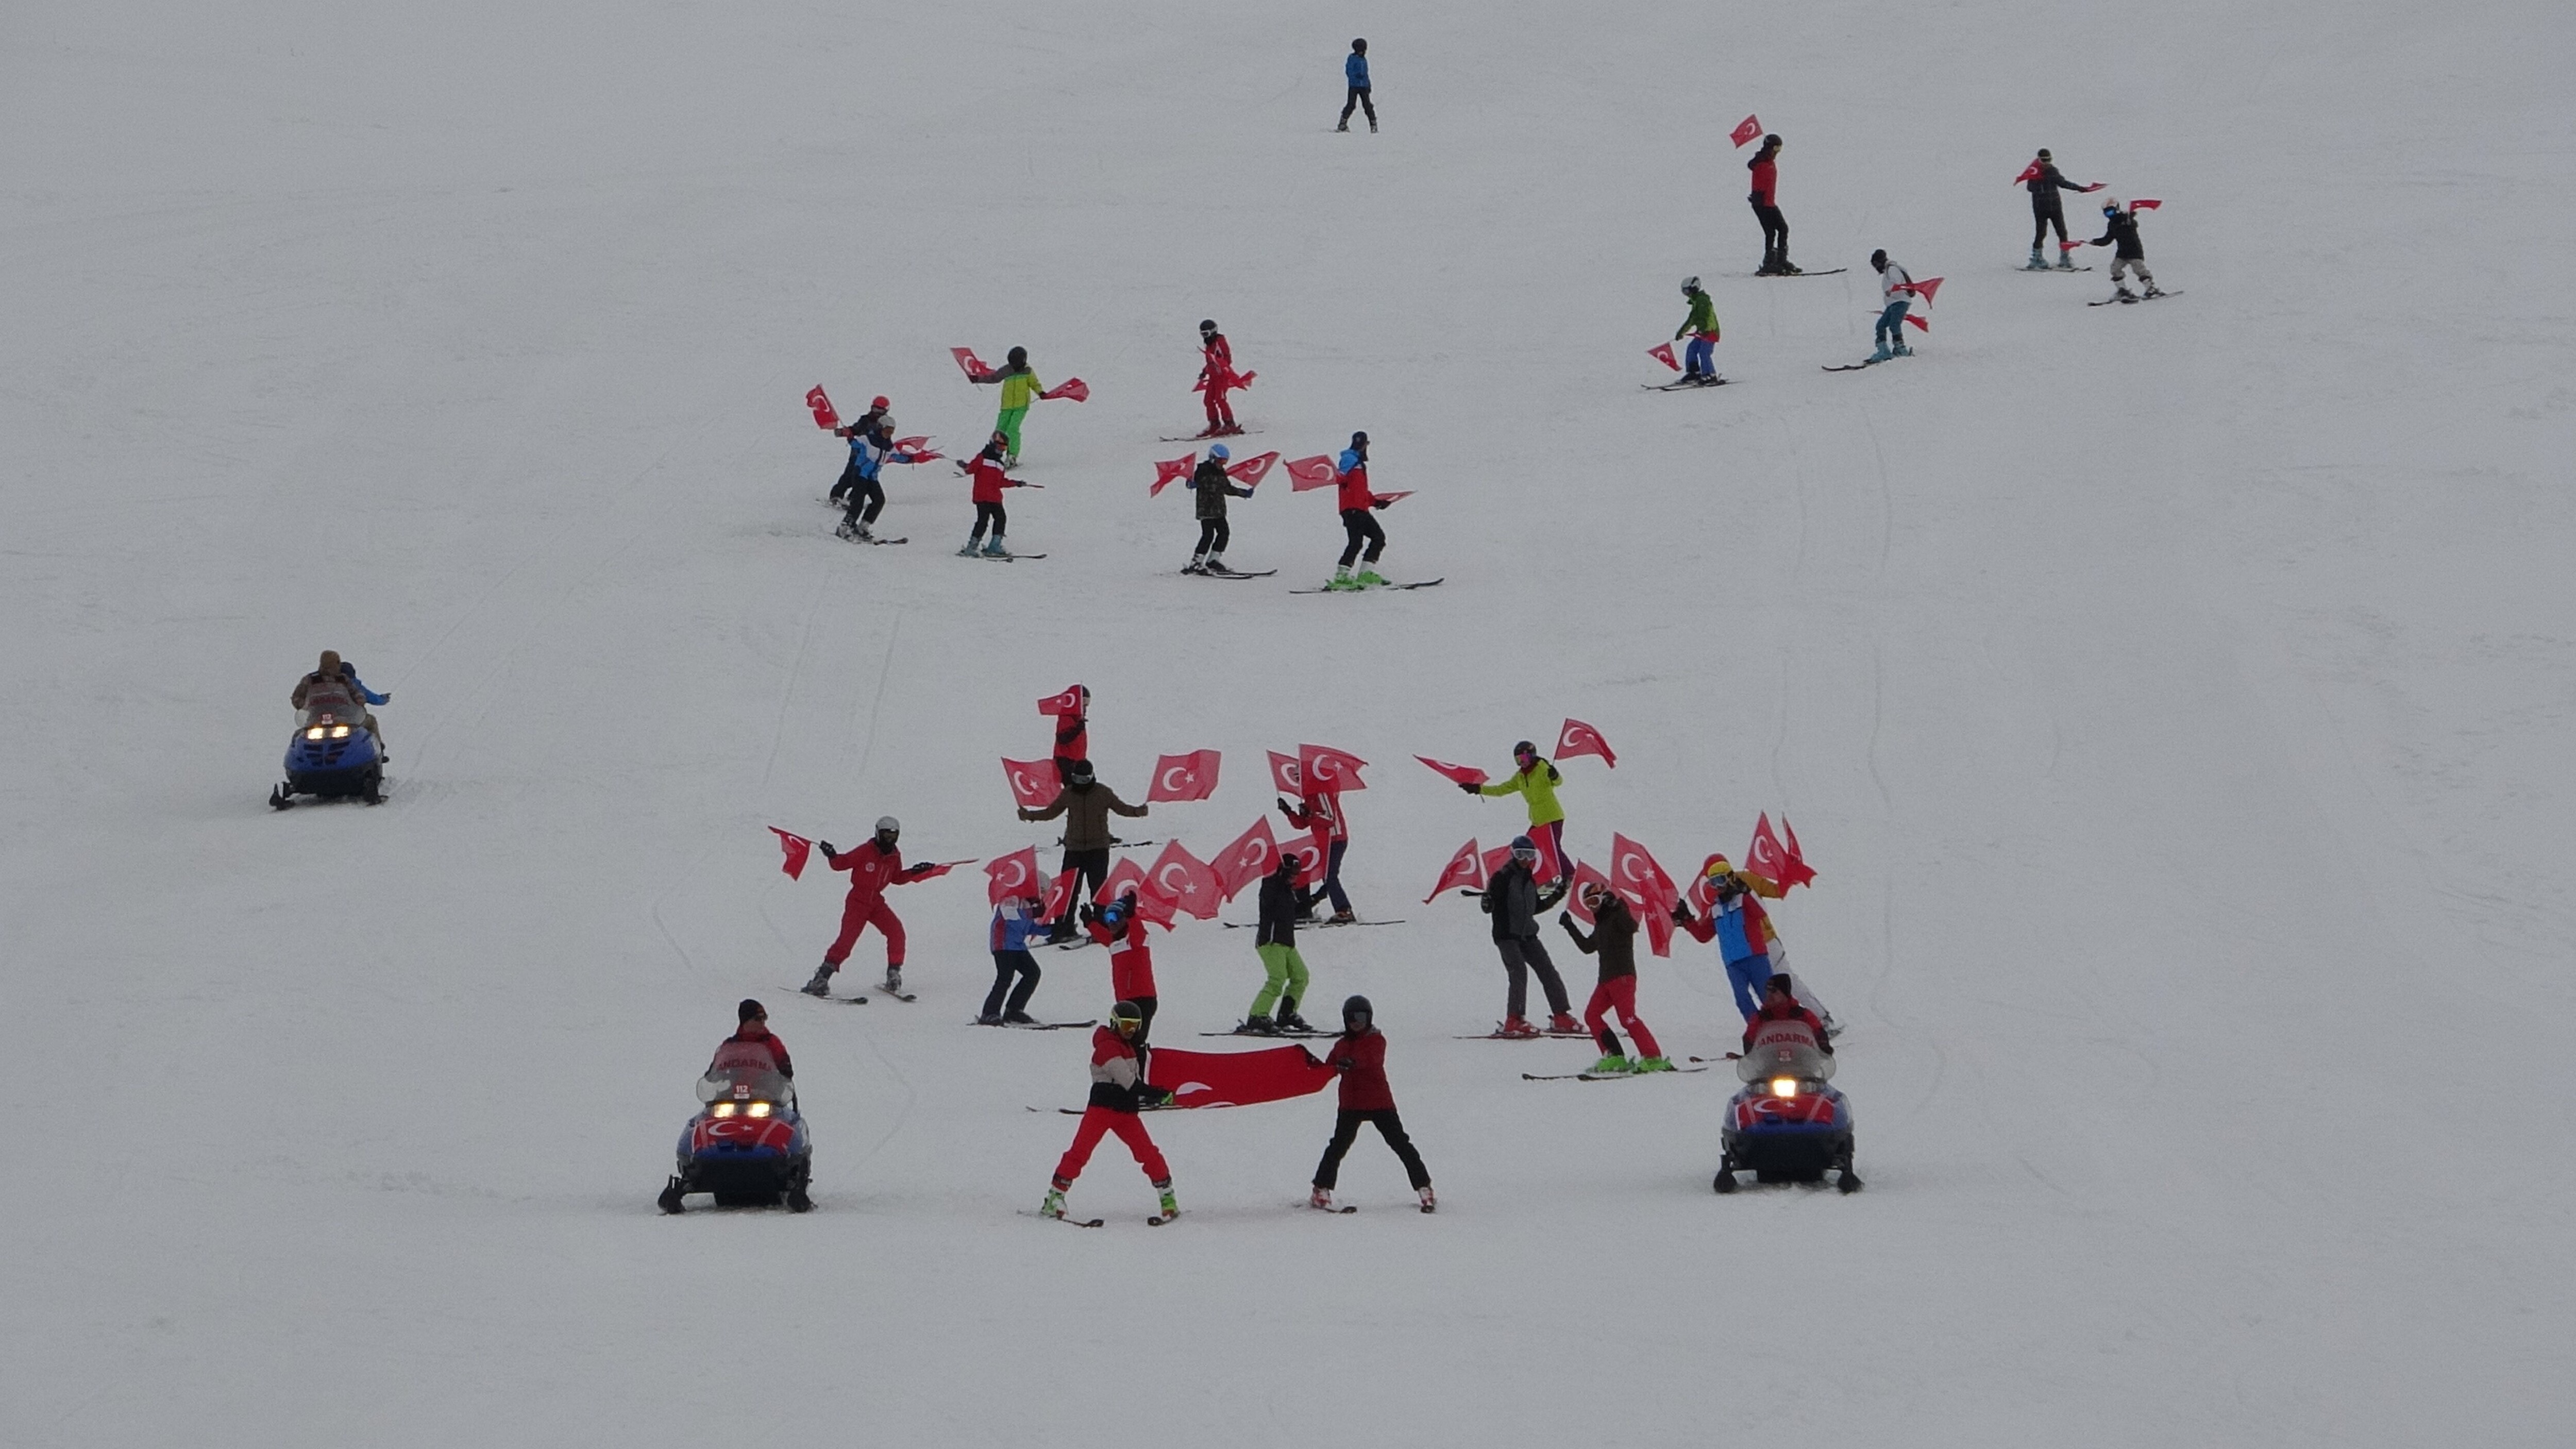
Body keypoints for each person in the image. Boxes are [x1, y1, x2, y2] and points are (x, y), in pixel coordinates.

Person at [1042, 1001, 1180, 1223]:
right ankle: (1055, 1197)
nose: (1132, 1031)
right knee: (1080, 1152)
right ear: (1114, 1023)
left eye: (1136, 1026)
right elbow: (1129, 1082)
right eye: (1126, 1026)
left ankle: (1168, 1198)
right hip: (1102, 1110)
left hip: (1126, 1112)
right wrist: (1158, 1094)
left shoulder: (1129, 1046)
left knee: (1147, 1153)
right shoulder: (1107, 1046)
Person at [1309, 996, 1435, 1211]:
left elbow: (1371, 1058)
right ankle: (1321, 1189)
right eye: (1351, 1017)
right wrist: (1312, 1066)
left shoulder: (1377, 1040)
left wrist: (1352, 1062)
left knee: (1401, 1144)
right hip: (1351, 1104)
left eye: (1360, 1016)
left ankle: (1424, 1187)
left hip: (1379, 1103)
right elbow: (1329, 1067)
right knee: (1338, 1147)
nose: (1356, 1021)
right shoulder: (1341, 1045)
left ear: (1369, 1018)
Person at [800, 817, 943, 997]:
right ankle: (821, 979)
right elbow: (841, 864)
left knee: (896, 932)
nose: (889, 840)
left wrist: (915, 871)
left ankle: (894, 974)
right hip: (858, 901)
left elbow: (897, 878)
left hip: (876, 902)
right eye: (886, 835)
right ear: (877, 833)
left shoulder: (895, 856)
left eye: (893, 836)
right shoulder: (866, 851)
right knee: (847, 941)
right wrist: (831, 855)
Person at [1018, 759, 1149, 942]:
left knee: (1099, 891)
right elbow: (1051, 812)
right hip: (1074, 850)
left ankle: (1102, 927)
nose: (1079, 784)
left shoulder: (1103, 793)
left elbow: (1122, 808)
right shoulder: (1069, 793)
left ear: (1092, 777)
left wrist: (1138, 812)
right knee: (1068, 891)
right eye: (1076, 779)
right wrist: (1029, 815)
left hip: (1098, 850)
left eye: (1083, 780)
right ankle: (1064, 928)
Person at [1559, 884, 1672, 1073]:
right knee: (1592, 1015)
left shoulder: (1617, 914)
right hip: (1606, 979)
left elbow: (1631, 927)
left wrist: (1618, 905)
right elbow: (1588, 947)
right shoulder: (1602, 923)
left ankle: (1653, 1056)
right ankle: (1614, 1056)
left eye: (1595, 902)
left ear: (1604, 898)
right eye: (1588, 904)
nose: (1592, 908)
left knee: (1627, 1018)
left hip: (1622, 976)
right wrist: (1570, 926)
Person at [1472, 835, 1575, 1037]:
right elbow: (1491, 905)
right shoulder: (1502, 877)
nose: (1525, 859)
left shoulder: (1529, 879)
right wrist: (1488, 901)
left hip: (1528, 935)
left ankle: (1561, 1016)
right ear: (1513, 854)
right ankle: (1514, 1019)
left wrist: (1558, 893)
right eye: (1521, 854)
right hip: (1507, 935)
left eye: (1530, 855)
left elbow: (1535, 908)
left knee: (1548, 971)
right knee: (1519, 971)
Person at [1672, 854, 1778, 1019]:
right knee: (1742, 1000)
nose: (1717, 887)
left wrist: (1747, 891)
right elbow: (1703, 935)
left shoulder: (1744, 899)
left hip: (1755, 957)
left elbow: (1760, 912)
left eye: (1720, 880)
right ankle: (1757, 1030)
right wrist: (1687, 920)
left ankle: (1781, 1027)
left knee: (1769, 998)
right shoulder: (1716, 908)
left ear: (1731, 878)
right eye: (1713, 882)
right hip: (1733, 963)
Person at [1241, 855, 1327, 1034]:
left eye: (1297, 873)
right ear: (1283, 871)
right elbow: (1269, 902)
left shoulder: (1288, 891)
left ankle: (1287, 1014)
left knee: (1301, 976)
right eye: (1292, 873)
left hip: (1287, 942)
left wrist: (1318, 897)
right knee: (1277, 978)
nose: (1295, 877)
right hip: (1271, 942)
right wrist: (1277, 879)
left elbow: (1295, 912)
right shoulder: (1270, 886)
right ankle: (1257, 1016)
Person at [1462, 740, 1567, 873]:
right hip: (1537, 820)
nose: (1522, 762)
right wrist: (1479, 789)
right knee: (1529, 849)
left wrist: (1555, 775)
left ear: (1532, 756)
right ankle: (1542, 879)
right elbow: (1502, 789)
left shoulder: (1542, 768)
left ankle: (1570, 875)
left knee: (1553, 849)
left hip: (1552, 817)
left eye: (1524, 758)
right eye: (1518, 760)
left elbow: (1558, 782)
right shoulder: (1520, 776)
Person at [835, 406, 924, 543]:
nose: (889, 434)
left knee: (879, 500)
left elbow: (898, 457)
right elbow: (854, 443)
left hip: (872, 477)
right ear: (880, 428)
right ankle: (845, 527)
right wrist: (847, 434)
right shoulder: (868, 439)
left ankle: (863, 527)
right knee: (857, 503)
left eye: (891, 432)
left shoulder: (889, 446)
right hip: (860, 475)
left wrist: (913, 459)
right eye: (887, 431)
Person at [1082, 893, 1163, 1043]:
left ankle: (1138, 1065)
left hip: (1142, 1000)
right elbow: (1104, 936)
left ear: (1125, 918)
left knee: (1134, 1042)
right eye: (1107, 919)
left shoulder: (1136, 940)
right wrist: (1090, 922)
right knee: (1123, 1043)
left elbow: (1138, 933)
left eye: (1114, 917)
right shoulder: (1115, 942)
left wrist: (1133, 916)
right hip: (1125, 1000)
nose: (1110, 923)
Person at [1326, 430, 1391, 591]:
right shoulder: (1350, 459)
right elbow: (1341, 478)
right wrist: (1341, 475)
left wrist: (1376, 502)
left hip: (1360, 509)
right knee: (1356, 542)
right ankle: (1342, 576)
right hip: (1352, 510)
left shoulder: (1358, 463)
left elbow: (1360, 491)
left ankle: (1366, 573)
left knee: (1378, 538)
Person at [1277, 788, 1355, 923]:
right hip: (1323, 841)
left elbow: (1329, 819)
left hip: (1334, 839)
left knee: (1329, 876)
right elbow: (1302, 824)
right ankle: (1305, 908)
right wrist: (1288, 812)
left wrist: (1310, 814)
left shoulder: (1322, 792)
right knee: (1309, 872)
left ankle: (1344, 910)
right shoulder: (1309, 795)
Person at [291, 650, 390, 754]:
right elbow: (296, 697)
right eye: (337, 663)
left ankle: (377, 753)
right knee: (298, 739)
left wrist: (359, 700)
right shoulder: (310, 680)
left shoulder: (343, 679)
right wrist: (305, 705)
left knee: (370, 722)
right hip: (316, 720)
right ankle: (298, 761)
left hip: (344, 719)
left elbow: (356, 692)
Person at [1184, 443, 1255, 576]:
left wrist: (1243, 493)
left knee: (1224, 533)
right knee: (1208, 535)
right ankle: (1196, 562)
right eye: (1220, 461)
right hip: (1206, 509)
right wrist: (1191, 483)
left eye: (1225, 462)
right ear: (1212, 458)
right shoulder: (1203, 469)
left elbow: (1227, 488)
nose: (1222, 464)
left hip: (1219, 510)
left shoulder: (1221, 472)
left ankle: (1213, 560)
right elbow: (1195, 482)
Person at [967, 345, 1045, 465]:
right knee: (1000, 430)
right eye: (1012, 363)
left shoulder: (1028, 371)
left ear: (1023, 361)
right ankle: (994, 455)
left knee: (1012, 429)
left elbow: (1035, 383)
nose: (1014, 366)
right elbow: (993, 378)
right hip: (1006, 406)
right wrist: (978, 379)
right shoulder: (1007, 370)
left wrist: (1041, 392)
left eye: (1017, 363)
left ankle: (1012, 455)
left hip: (1021, 406)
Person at [2021, 150, 2097, 269]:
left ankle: (2065, 258)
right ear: (2039, 160)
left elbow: (2063, 183)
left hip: (2055, 207)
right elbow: (2030, 188)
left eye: (2049, 160)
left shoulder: (2053, 171)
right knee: (2041, 233)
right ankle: (2037, 258)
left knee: (2062, 232)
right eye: (2044, 160)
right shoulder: (2034, 172)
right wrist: (2040, 185)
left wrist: (2080, 188)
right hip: (2040, 208)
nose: (2047, 163)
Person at [959, 431, 1029, 558]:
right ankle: (972, 547)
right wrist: (965, 466)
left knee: (1001, 518)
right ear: (993, 444)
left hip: (995, 497)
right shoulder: (983, 457)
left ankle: (995, 546)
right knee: (983, 521)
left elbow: (1001, 482)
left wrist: (1016, 483)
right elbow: (971, 469)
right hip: (982, 496)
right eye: (1000, 447)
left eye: (1004, 448)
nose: (1001, 450)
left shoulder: (1000, 465)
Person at [980, 892, 1046, 1024]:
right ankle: (989, 1013)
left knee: (1033, 973)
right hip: (1003, 944)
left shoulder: (1029, 903)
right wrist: (1031, 913)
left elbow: (1030, 927)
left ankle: (1014, 1010)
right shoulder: (1012, 897)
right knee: (1005, 978)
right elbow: (1009, 913)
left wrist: (1055, 929)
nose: (1042, 894)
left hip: (1018, 946)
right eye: (1042, 890)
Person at [2089, 198, 2164, 302]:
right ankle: (2122, 290)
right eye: (2107, 213)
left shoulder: (2126, 219)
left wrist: (2130, 219)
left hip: (2134, 251)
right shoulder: (2112, 224)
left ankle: (2151, 288)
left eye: (2111, 212)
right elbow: (2108, 239)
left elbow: (2134, 225)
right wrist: (2096, 242)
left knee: (2139, 270)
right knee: (2115, 269)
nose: (2110, 215)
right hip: (2122, 253)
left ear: (2117, 210)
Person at [1743, 972, 1832, 1055]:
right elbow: (1748, 1038)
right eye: (1768, 991)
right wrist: (1750, 1057)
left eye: (1774, 991)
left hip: (1801, 1064)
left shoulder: (1803, 1015)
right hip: (1770, 1066)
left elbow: (1819, 1032)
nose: (1769, 995)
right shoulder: (1761, 1017)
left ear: (1785, 994)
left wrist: (1824, 1048)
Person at [709, 998, 795, 1079]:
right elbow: (714, 1071)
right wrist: (716, 1075)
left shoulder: (772, 1042)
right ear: (745, 1021)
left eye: (764, 1018)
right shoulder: (731, 1045)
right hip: (735, 1092)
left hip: (766, 1093)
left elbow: (786, 1070)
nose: (762, 1022)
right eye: (758, 1019)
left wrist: (783, 1070)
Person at [1748, 134, 1797, 275]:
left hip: (1769, 202)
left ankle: (1781, 259)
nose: (1777, 152)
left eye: (1780, 148)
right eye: (1776, 148)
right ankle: (1769, 262)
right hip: (1762, 204)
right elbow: (1753, 167)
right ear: (1769, 147)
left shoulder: (1768, 161)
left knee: (1783, 229)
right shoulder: (1762, 162)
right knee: (1772, 232)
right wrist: (1758, 199)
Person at [828, 395, 889, 505]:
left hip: (872, 459)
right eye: (875, 409)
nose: (877, 413)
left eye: (881, 410)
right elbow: (855, 429)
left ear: (886, 411)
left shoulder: (886, 425)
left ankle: (853, 499)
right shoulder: (866, 420)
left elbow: (887, 440)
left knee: (864, 480)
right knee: (849, 476)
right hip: (858, 455)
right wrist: (843, 432)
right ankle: (836, 496)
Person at [1196, 319, 1244, 437]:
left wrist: (1221, 367)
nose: (1205, 337)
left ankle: (1229, 423)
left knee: (1220, 399)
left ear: (1213, 332)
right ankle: (1214, 424)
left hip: (1222, 377)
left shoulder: (1219, 342)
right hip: (1213, 377)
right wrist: (1205, 371)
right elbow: (1211, 361)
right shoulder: (1209, 344)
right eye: (1202, 334)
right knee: (1208, 400)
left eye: (1206, 334)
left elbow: (1226, 359)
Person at [1868, 249, 1915, 363]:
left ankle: (1900, 349)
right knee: (1881, 325)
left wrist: (1890, 290)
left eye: (1876, 264)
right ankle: (1883, 351)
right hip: (1894, 303)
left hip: (1900, 301)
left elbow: (1899, 282)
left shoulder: (1892, 269)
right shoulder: (1889, 270)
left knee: (1894, 325)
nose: (1876, 267)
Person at [1674, 277, 1722, 385]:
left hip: (1711, 332)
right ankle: (1694, 372)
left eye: (1687, 291)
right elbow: (1692, 319)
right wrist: (1681, 332)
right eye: (1684, 292)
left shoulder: (1702, 300)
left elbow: (1704, 317)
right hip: (1702, 332)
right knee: (1692, 349)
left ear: (1694, 288)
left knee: (1704, 352)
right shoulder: (1696, 301)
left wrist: (1704, 330)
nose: (1686, 294)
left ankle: (1710, 375)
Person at [1337, 39, 1375, 133]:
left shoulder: (1364, 60)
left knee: (1368, 105)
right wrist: (1356, 76)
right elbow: (1349, 71)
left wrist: (1368, 84)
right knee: (1351, 105)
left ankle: (1373, 124)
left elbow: (1366, 73)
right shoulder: (1352, 58)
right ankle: (1343, 123)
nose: (1363, 52)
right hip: (1354, 86)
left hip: (1364, 87)